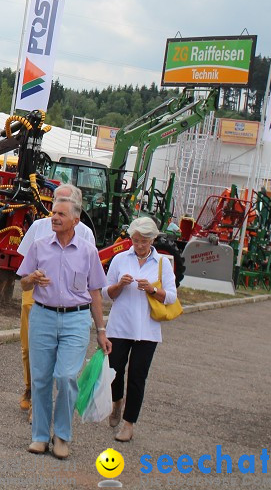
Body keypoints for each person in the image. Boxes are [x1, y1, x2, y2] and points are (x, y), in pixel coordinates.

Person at [18, 194, 110, 459]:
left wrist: (101, 330)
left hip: (76, 320)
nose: (55, 218)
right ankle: (39, 437)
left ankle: (62, 436)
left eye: (61, 214)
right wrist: (31, 279)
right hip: (43, 316)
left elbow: (95, 293)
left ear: (75, 220)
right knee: (42, 378)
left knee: (67, 377)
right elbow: (23, 283)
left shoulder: (88, 251)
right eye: (53, 213)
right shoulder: (39, 246)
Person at [16, 184, 96, 413]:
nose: (57, 209)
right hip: (36, 293)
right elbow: (23, 266)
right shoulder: (39, 226)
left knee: (62, 363)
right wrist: (32, 277)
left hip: (70, 299)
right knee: (29, 347)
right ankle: (30, 388)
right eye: (56, 202)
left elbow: (90, 272)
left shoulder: (85, 233)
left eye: (65, 203)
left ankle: (48, 405)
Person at [104, 216, 177, 442]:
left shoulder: (163, 263)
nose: (139, 245)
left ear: (153, 239)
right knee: (114, 371)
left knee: (137, 376)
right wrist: (120, 285)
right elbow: (107, 293)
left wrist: (153, 291)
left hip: (147, 330)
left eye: (144, 241)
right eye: (135, 240)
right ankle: (117, 402)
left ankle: (128, 423)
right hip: (120, 326)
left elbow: (172, 296)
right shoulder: (119, 259)